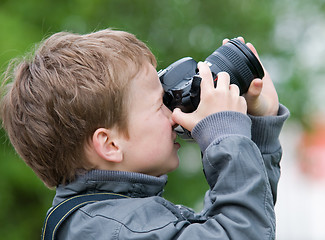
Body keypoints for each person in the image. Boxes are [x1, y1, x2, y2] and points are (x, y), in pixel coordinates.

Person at [0, 29, 289, 239]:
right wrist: (225, 134)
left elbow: (233, 223)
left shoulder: (109, 221)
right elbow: (238, 232)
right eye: (159, 103)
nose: (173, 111)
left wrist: (257, 127)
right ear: (110, 144)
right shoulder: (113, 230)